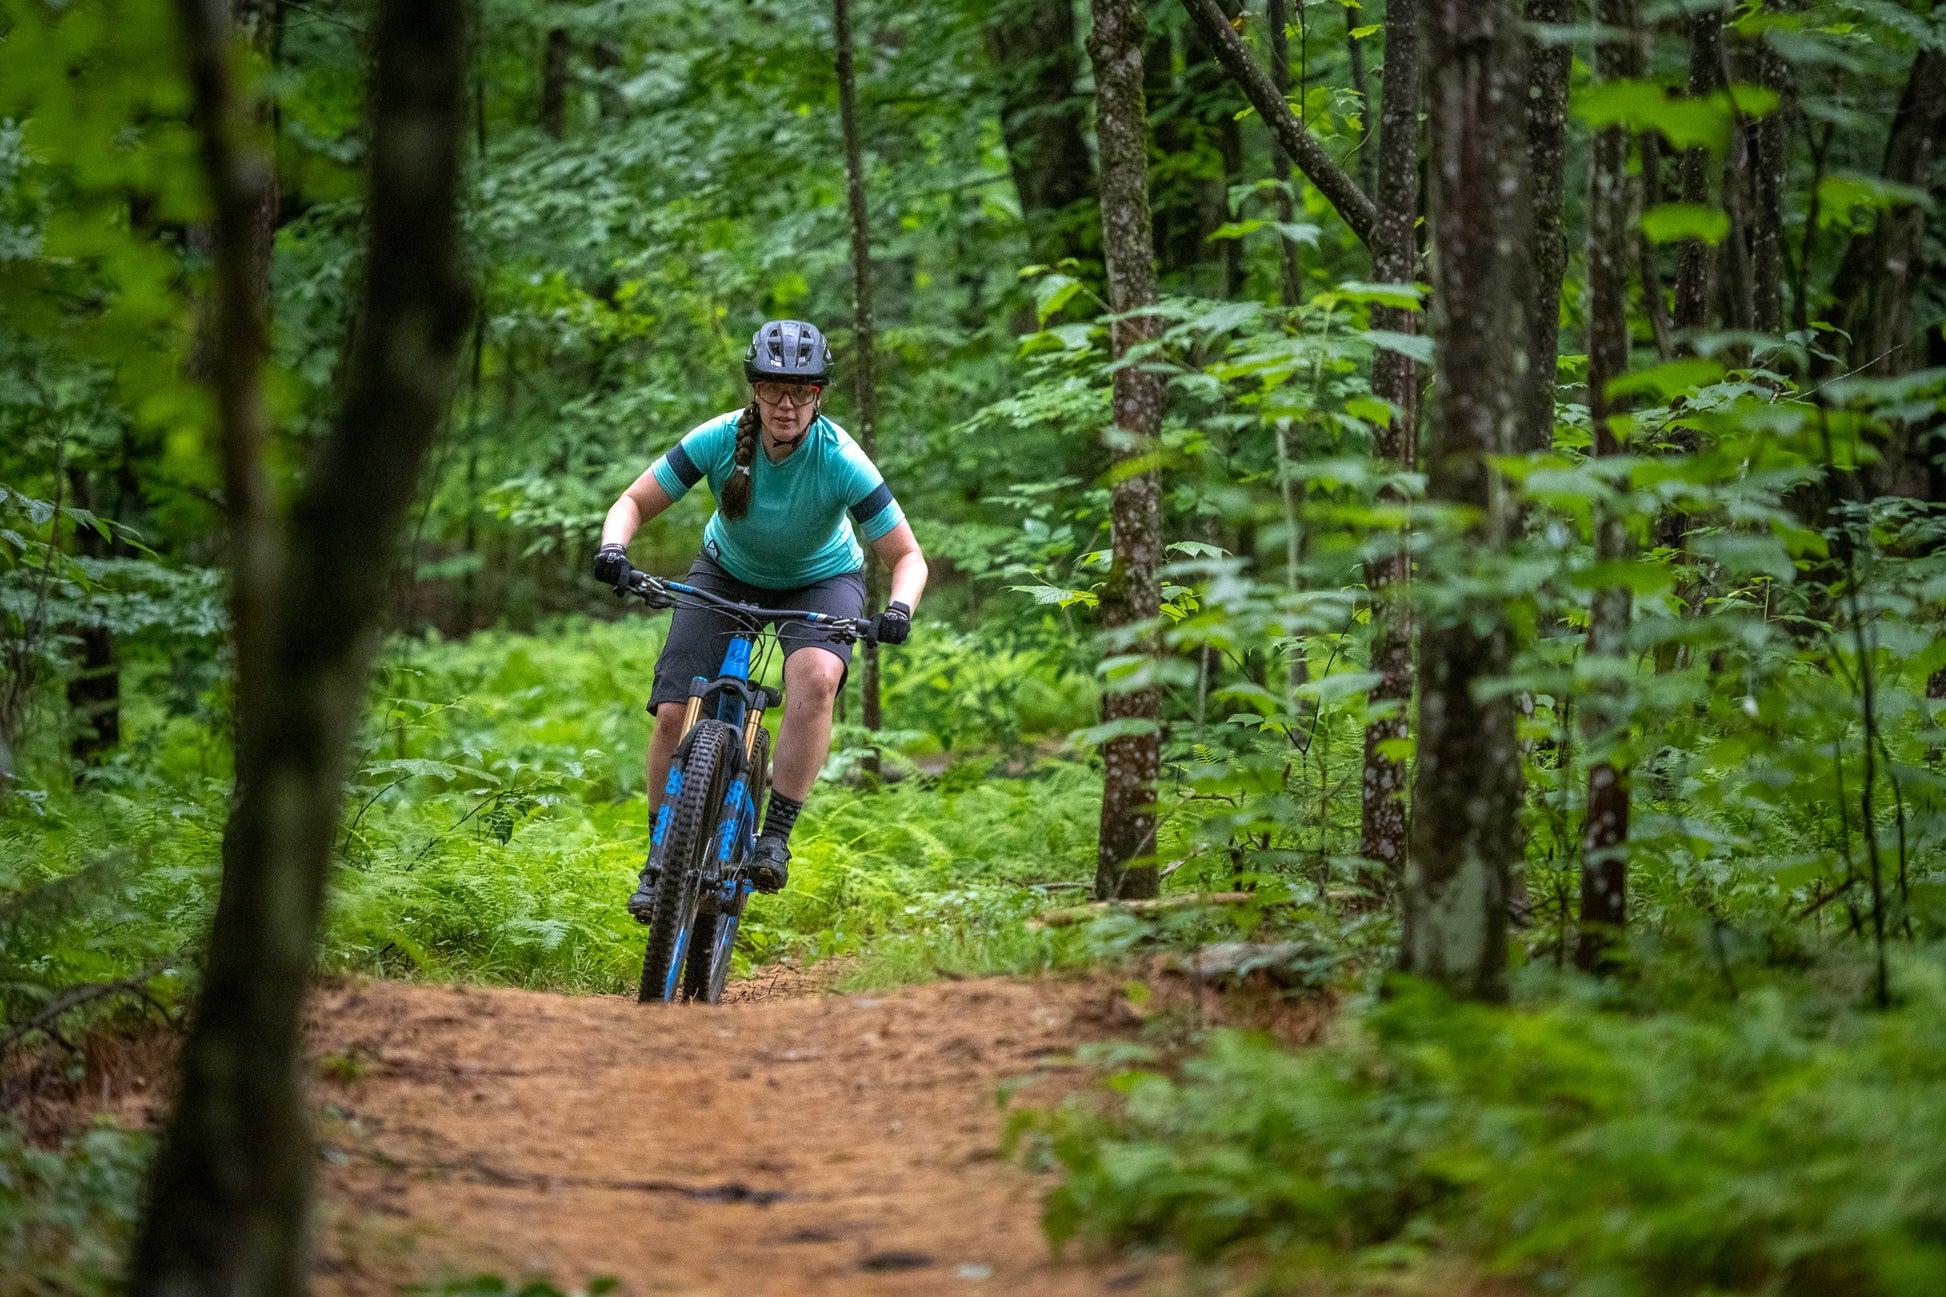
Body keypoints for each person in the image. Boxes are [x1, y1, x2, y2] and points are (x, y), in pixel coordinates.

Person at [593, 319, 927, 915]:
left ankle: (774, 836)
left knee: (816, 679)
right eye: (774, 388)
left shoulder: (841, 459)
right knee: (673, 712)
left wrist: (899, 608)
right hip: (726, 572)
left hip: (821, 580)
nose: (786, 404)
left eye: (802, 390)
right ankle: (659, 859)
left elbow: (907, 557)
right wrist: (614, 549)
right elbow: (633, 501)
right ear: (755, 389)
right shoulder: (719, 438)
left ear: (819, 395)